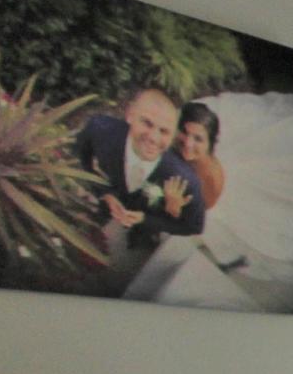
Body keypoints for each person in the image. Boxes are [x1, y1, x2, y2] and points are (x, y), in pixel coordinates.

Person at [73, 83, 202, 263]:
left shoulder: (184, 179)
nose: (153, 138)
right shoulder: (100, 129)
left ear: (173, 135)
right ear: (130, 115)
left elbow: (194, 226)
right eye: (147, 123)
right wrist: (105, 194)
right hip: (113, 188)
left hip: (148, 213)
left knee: (142, 236)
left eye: (164, 131)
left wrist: (146, 219)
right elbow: (78, 155)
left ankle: (141, 237)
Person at [176, 100, 227, 213]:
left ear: (210, 143)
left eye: (198, 139)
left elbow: (201, 208)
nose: (188, 143)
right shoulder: (176, 142)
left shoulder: (211, 179)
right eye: (185, 132)